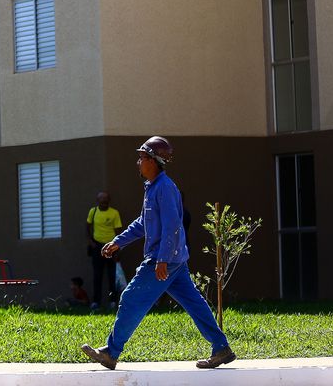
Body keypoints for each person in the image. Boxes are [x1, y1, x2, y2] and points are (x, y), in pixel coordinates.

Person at [81, 136, 236, 371]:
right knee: (194, 303)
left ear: (154, 161)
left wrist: (162, 259)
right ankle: (221, 347)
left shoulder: (164, 188)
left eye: (142, 157)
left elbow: (173, 226)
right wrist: (118, 242)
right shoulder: (152, 187)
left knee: (131, 298)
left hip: (164, 260)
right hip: (175, 261)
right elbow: (143, 223)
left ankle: (111, 353)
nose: (138, 162)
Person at [86, 191, 122, 309]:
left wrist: (118, 248)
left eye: (106, 200)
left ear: (109, 201)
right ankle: (96, 302)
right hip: (97, 247)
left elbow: (118, 232)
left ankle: (113, 301)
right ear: (98, 201)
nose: (104, 202)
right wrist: (91, 242)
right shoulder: (93, 212)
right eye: (102, 200)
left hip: (111, 247)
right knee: (97, 275)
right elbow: (87, 227)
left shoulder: (114, 213)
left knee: (112, 276)